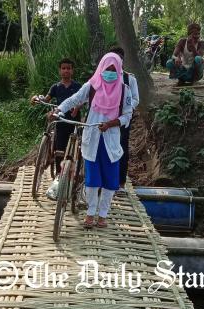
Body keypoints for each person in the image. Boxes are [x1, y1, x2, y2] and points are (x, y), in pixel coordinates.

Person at [52, 53, 134, 228]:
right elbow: (75, 99)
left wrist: (112, 123)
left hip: (111, 141)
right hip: (92, 139)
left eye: (113, 70)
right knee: (92, 180)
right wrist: (59, 110)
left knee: (110, 181)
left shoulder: (124, 90)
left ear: (119, 70)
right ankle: (90, 214)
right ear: (101, 68)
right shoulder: (92, 86)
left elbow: (128, 114)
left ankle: (103, 215)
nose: (110, 72)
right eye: (107, 69)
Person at [31, 58, 81, 198]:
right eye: (63, 68)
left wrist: (77, 108)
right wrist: (37, 99)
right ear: (60, 70)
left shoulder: (77, 86)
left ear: (72, 70)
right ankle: (59, 175)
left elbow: (81, 100)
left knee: (72, 150)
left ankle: (71, 175)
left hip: (73, 122)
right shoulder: (56, 87)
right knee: (59, 149)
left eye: (69, 68)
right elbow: (47, 99)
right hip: (60, 122)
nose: (66, 71)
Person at [108, 46, 139, 190]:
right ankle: (104, 181)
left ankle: (121, 183)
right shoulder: (103, 77)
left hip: (122, 120)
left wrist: (125, 109)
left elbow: (135, 99)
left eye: (119, 59)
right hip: (105, 119)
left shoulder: (129, 79)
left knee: (122, 149)